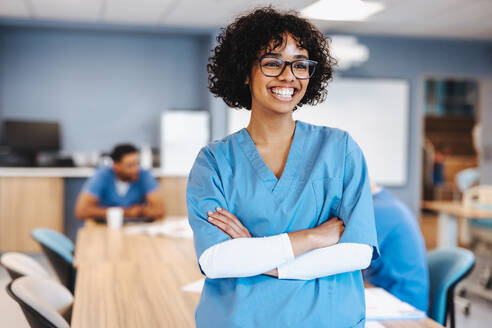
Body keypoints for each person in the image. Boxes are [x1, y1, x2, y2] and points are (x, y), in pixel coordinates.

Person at [186, 8, 379, 327]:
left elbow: (356, 252)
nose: (288, 76)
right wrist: (313, 237)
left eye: (300, 64)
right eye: (273, 62)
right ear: (245, 72)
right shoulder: (215, 162)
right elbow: (217, 260)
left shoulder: (340, 149)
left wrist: (257, 257)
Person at [363, 183, 429, 312]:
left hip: (403, 302)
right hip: (391, 293)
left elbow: (350, 257)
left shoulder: (378, 210)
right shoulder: (385, 202)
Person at [75, 143, 164, 221]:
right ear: (116, 166)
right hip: (105, 227)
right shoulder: (102, 175)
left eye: (137, 164)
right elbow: (81, 211)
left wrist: (140, 212)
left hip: (135, 228)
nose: (135, 169)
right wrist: (127, 212)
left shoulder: (144, 174)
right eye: (130, 166)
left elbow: (159, 210)